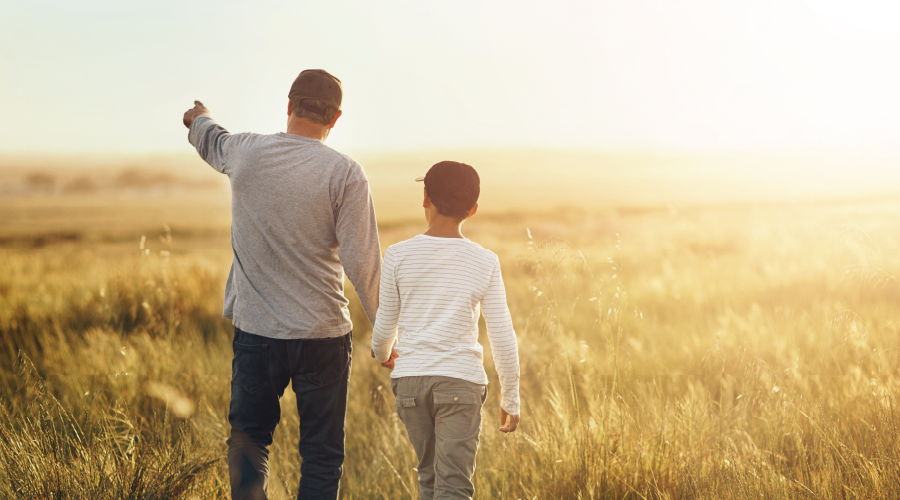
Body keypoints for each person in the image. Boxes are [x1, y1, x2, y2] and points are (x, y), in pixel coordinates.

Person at [182, 69, 382, 500]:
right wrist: (388, 336)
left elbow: (209, 136)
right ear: (336, 118)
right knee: (322, 455)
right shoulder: (346, 173)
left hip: (257, 335)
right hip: (324, 336)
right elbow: (362, 263)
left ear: (289, 106)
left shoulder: (244, 151)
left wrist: (197, 116)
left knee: (250, 440)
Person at [371, 161, 521, 500]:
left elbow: (383, 330)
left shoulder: (396, 255)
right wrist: (510, 396)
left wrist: (383, 354)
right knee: (453, 486)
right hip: (460, 383)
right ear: (473, 209)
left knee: (429, 479)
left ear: (425, 197)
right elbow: (502, 334)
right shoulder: (485, 261)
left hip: (409, 383)